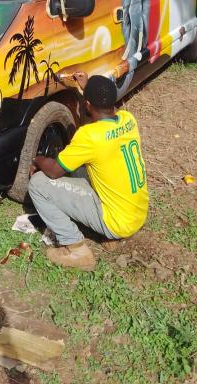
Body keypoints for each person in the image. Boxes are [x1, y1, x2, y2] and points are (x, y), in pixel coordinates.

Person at [28, 75, 148, 271]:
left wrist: (37, 159)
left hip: (117, 222)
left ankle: (76, 249)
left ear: (87, 104)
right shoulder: (128, 119)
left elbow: (53, 172)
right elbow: (104, 113)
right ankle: (112, 236)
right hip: (136, 214)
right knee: (79, 165)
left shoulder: (90, 137)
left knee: (38, 184)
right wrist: (90, 91)